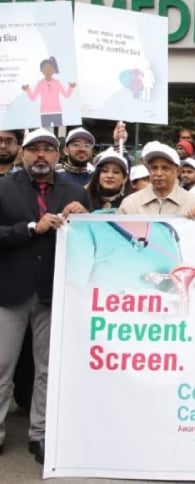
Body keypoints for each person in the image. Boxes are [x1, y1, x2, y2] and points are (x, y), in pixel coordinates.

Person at [0, 128, 88, 464]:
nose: (41, 155)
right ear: (22, 152)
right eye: (34, 148)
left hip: (55, 293)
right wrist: (28, 229)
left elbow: (90, 241)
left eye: (48, 149)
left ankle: (41, 434)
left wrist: (85, 218)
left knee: (48, 369)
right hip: (10, 291)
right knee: (2, 366)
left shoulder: (74, 191)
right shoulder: (4, 187)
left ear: (58, 155)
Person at [117, 142, 195, 219]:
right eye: (154, 168)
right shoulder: (130, 205)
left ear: (178, 171)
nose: (159, 173)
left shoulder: (194, 204)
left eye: (165, 168)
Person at [22, 57, 76, 128]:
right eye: (45, 68)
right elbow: (33, 98)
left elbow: (66, 95)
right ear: (41, 70)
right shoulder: (40, 83)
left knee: (60, 130)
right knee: (46, 132)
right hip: (44, 113)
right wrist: (27, 90)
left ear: (54, 70)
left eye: (50, 68)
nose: (47, 71)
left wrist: (71, 87)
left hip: (57, 112)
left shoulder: (57, 82)